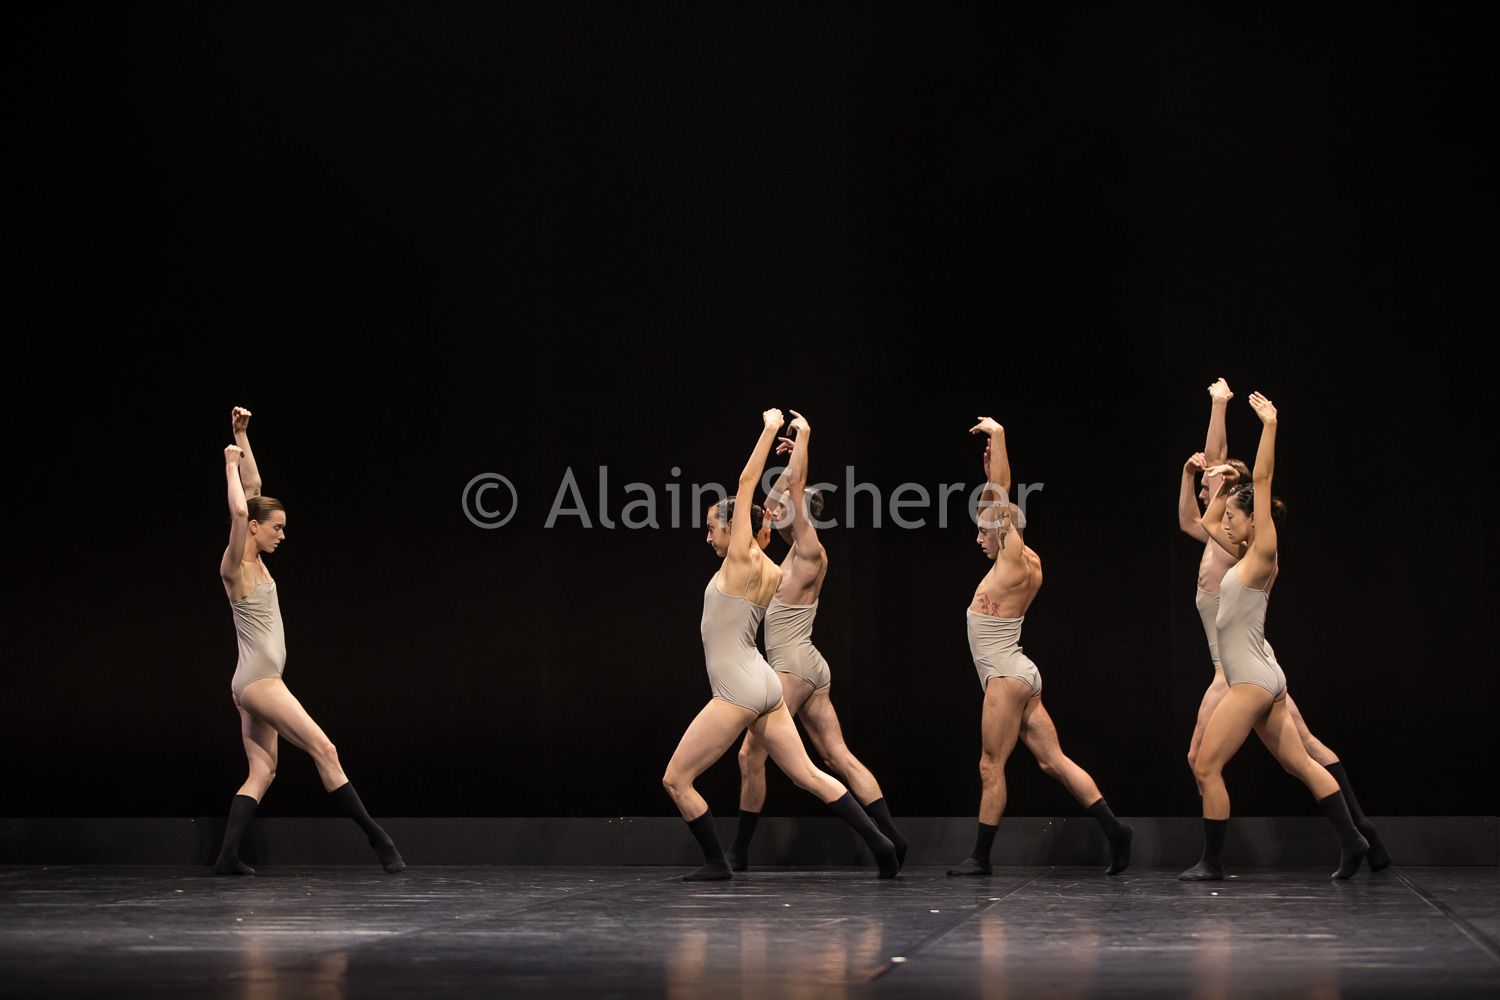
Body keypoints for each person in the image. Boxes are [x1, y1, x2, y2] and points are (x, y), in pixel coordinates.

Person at [661, 408, 899, 880]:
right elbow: (770, 504)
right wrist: (798, 452)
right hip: (765, 682)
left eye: (713, 527)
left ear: (734, 529)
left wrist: (771, 429)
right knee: (808, 773)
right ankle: (882, 844)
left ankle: (717, 863)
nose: (708, 536)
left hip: (737, 688)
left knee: (675, 779)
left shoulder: (740, 561)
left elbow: (748, 484)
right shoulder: (770, 565)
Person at [1178, 379, 1388, 870]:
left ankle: (1212, 860)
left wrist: (1262, 426)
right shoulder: (1232, 543)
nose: (1222, 517)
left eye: (1230, 510)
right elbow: (1202, 521)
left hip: (1243, 675)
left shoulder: (1259, 553)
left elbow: (1262, 478)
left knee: (1205, 763)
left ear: (1251, 517)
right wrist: (1204, 473)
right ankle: (1358, 838)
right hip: (1260, 670)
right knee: (1302, 757)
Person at [213, 406, 405, 876]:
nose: (282, 534)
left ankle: (227, 857)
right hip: (261, 682)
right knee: (326, 750)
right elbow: (240, 508)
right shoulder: (235, 568)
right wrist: (229, 463)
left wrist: (241, 435)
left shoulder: (258, 561)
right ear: (254, 529)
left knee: (262, 772)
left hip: (251, 682)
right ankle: (379, 839)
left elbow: (254, 491)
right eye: (276, 527)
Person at [947, 417, 1133, 877]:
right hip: (1021, 672)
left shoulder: (1012, 559)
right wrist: (990, 471)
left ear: (1004, 530)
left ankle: (980, 857)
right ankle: (1116, 830)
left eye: (984, 531)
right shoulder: (1031, 562)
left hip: (1005, 677)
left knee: (991, 766)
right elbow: (996, 498)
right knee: (1053, 761)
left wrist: (999, 436)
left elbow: (1001, 497)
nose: (978, 539)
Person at [725, 410, 908, 871]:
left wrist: (804, 437)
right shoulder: (791, 550)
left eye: (788, 500)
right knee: (836, 755)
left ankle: (738, 853)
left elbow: (795, 488)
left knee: (751, 753)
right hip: (807, 664)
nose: (776, 505)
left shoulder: (810, 549)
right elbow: (774, 498)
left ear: (800, 509)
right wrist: (792, 461)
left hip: (792, 666)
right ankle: (895, 839)